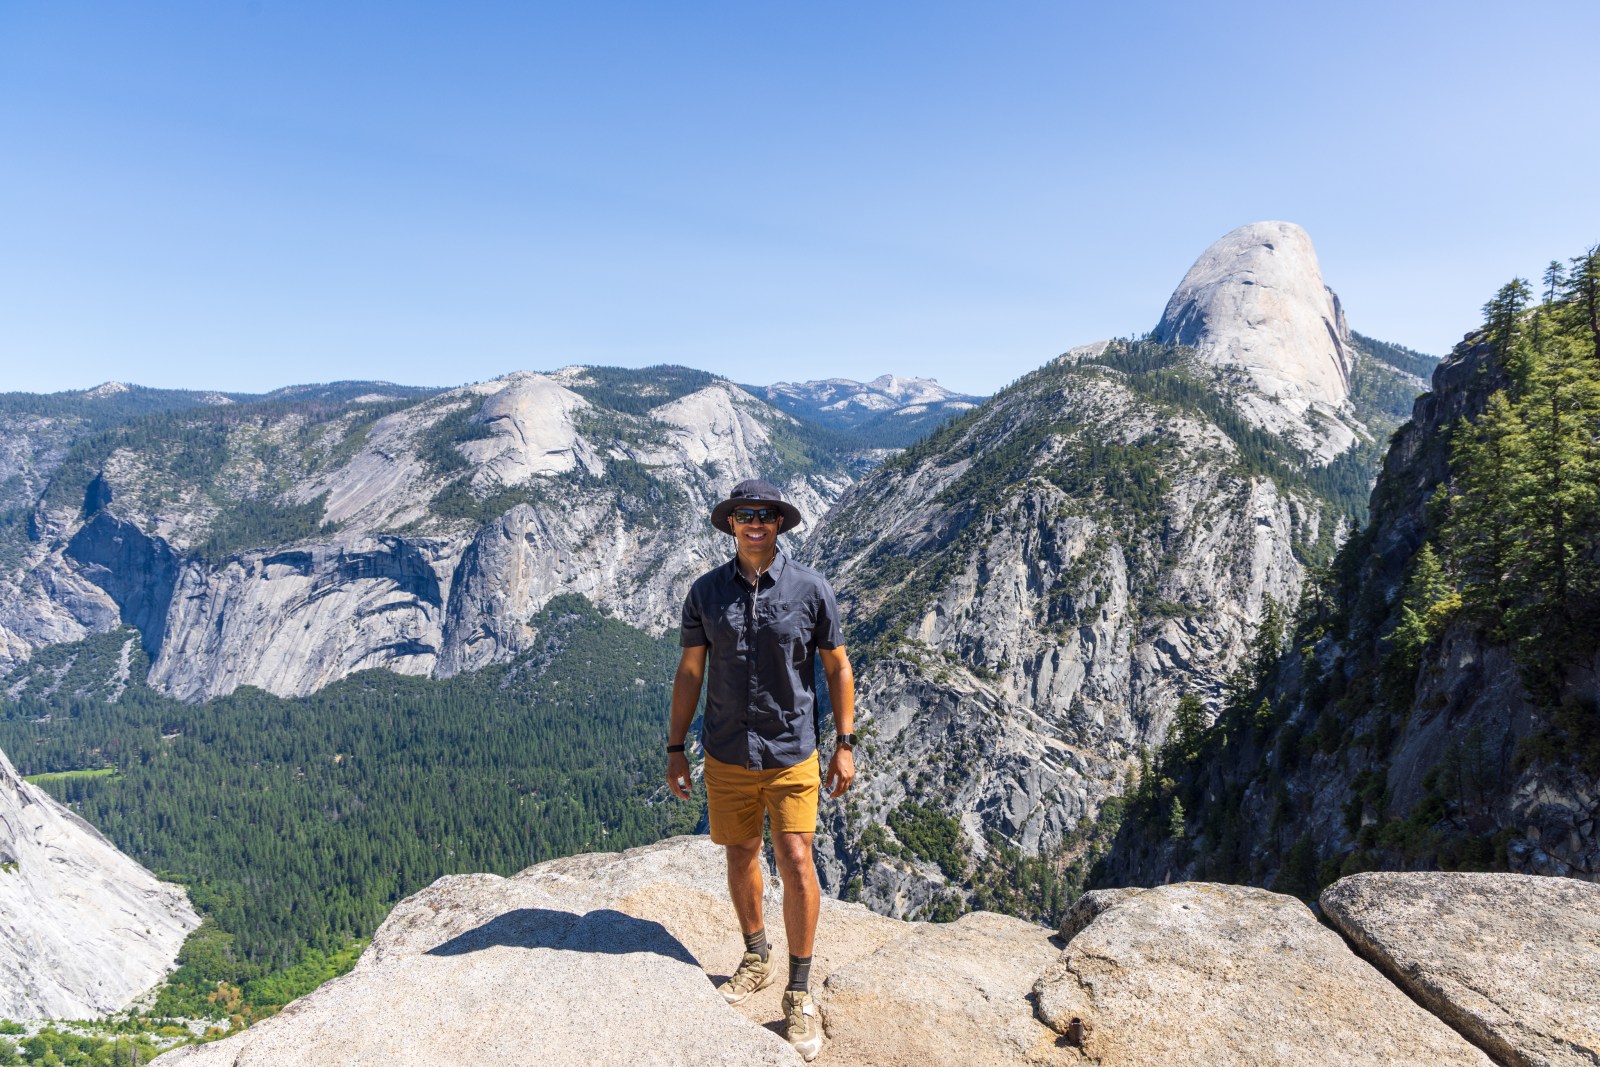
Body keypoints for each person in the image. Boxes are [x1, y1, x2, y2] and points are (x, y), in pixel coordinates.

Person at [667, 478, 856, 1063]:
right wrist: (676, 747)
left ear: (779, 524)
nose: (755, 523)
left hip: (792, 750)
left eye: (766, 515)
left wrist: (845, 743)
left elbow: (837, 669)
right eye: (745, 514)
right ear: (731, 524)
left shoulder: (810, 590)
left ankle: (798, 988)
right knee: (741, 852)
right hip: (726, 751)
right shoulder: (704, 593)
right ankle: (756, 955)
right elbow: (691, 673)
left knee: (797, 856)